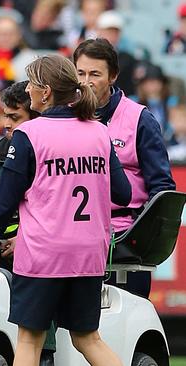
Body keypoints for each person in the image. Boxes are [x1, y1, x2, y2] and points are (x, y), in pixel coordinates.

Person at [0, 54, 130, 366]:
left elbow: (4, 202)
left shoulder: (29, 134)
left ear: (44, 92)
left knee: (29, 341)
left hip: (44, 254)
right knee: (88, 339)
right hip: (89, 253)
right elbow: (123, 194)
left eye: (32, 85)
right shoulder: (99, 131)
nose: (28, 91)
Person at [73, 38, 176, 298]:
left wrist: (139, 237)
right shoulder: (64, 117)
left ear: (113, 76)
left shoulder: (139, 119)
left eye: (95, 74)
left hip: (124, 242)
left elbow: (162, 189)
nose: (86, 81)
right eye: (81, 73)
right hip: (72, 240)